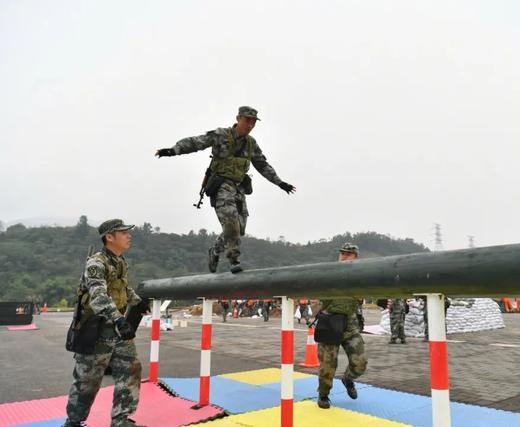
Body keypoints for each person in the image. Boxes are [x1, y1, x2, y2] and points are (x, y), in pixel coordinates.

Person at [155, 106, 296, 274]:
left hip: (238, 188)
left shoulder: (251, 144)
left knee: (239, 228)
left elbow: (262, 165)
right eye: (247, 121)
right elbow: (196, 142)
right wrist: (173, 150)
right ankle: (233, 258)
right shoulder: (222, 135)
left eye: (253, 122)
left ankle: (215, 250)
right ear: (238, 119)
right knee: (230, 223)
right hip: (221, 185)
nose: (250, 125)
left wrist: (280, 183)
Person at [63, 219, 144, 427]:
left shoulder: (120, 262)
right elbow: (98, 296)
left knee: (131, 369)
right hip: (95, 330)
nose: (129, 235)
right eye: (123, 232)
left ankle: (121, 420)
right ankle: (73, 422)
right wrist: (119, 319)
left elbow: (123, 289)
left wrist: (140, 302)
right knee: (87, 382)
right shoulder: (96, 263)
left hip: (117, 331)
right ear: (110, 237)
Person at [317, 243, 368, 409]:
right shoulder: (329, 273)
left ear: (356, 257)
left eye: (349, 254)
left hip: (350, 323)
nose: (344, 256)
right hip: (331, 322)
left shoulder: (361, 276)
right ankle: (323, 394)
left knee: (360, 362)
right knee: (328, 365)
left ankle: (348, 379)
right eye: (342, 253)